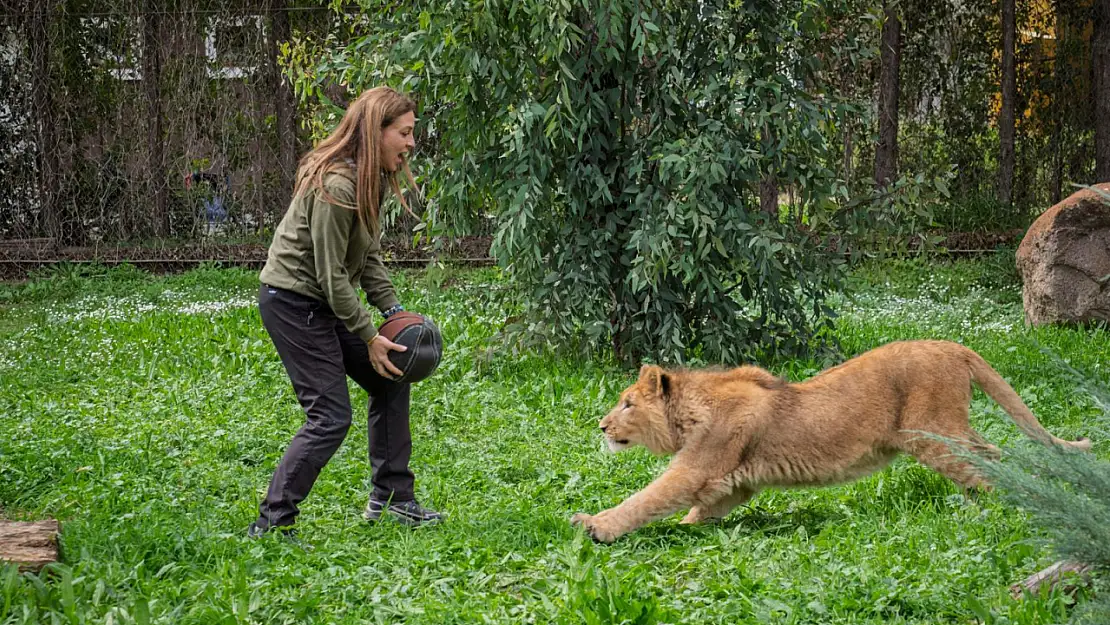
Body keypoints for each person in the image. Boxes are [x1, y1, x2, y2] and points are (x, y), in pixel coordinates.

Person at [248, 86, 442, 539]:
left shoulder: (368, 178)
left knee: (391, 375)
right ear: (377, 132)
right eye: (405, 133)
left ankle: (393, 500)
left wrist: (394, 313)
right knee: (330, 417)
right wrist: (370, 334)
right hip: (294, 304)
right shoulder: (337, 183)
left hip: (326, 301)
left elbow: (367, 258)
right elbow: (331, 274)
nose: (412, 143)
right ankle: (272, 522)